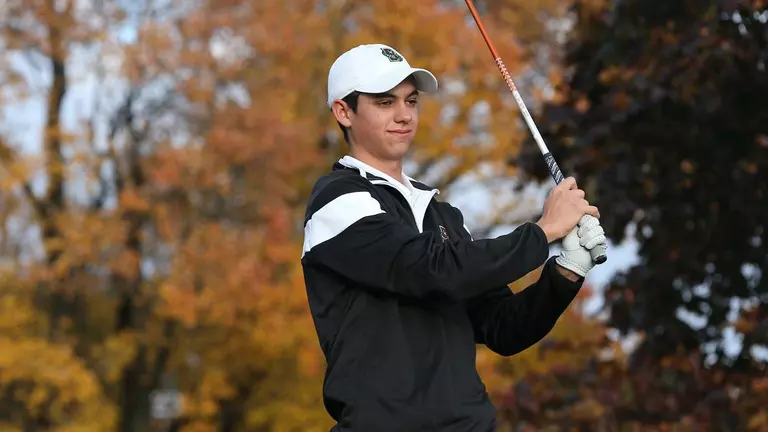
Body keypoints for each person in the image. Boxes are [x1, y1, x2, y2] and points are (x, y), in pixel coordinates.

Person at [300, 43, 607, 432]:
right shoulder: (336, 200)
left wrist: (566, 270)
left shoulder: (442, 214)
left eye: (411, 101)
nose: (404, 115)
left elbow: (503, 327)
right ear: (344, 111)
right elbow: (430, 269)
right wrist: (542, 232)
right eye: (385, 102)